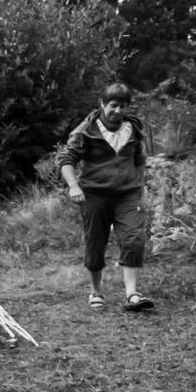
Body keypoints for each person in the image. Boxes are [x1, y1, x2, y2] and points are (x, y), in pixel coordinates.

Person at [60, 81, 154, 312]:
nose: (118, 111)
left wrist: (139, 186)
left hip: (127, 195)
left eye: (123, 106)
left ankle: (132, 294)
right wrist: (74, 186)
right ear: (102, 104)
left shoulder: (133, 129)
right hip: (94, 195)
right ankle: (96, 292)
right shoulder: (86, 130)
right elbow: (66, 160)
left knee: (134, 239)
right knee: (95, 243)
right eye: (113, 105)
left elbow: (139, 161)